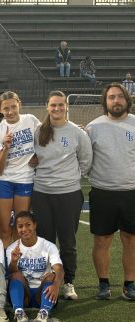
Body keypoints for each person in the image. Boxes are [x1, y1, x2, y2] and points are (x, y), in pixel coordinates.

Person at [32, 91, 92, 301]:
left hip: (68, 194)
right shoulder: (39, 130)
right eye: (53, 105)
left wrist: (69, 178)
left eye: (60, 105)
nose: (56, 109)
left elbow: (86, 161)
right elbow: (32, 158)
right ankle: (48, 279)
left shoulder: (77, 133)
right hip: (42, 193)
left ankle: (68, 282)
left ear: (66, 107)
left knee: (67, 241)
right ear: (47, 107)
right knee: (46, 240)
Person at [85, 83, 135, 300]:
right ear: (105, 102)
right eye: (111, 97)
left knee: (131, 240)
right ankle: (103, 284)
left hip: (131, 192)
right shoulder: (93, 128)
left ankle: (129, 285)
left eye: (120, 97)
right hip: (102, 192)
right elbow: (85, 161)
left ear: (127, 100)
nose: (116, 100)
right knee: (101, 241)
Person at [0, 91, 41, 247]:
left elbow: (45, 138)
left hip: (25, 180)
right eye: (6, 108)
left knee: (21, 229)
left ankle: (19, 264)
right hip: (3, 181)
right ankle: (6, 266)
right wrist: (6, 148)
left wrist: (38, 156)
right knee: (4, 230)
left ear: (20, 105)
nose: (10, 112)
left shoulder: (31, 120)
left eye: (13, 107)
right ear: (0, 109)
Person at [6, 211, 64, 322]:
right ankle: (19, 312)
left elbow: (59, 269)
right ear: (16, 229)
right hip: (24, 295)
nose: (24, 229)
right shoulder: (12, 248)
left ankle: (44, 312)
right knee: (16, 275)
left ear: (35, 225)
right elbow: (11, 273)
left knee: (51, 276)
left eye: (28, 225)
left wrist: (56, 285)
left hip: (41, 292)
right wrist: (14, 261)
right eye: (20, 226)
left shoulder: (48, 246)